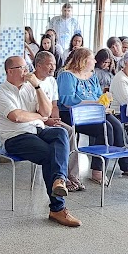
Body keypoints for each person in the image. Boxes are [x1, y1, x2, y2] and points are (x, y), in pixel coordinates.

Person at [0, 56, 81, 227]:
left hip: (38, 131)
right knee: (49, 154)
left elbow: (46, 112)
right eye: (22, 68)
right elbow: (16, 116)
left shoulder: (30, 87)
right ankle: (58, 208)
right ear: (10, 71)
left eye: (27, 67)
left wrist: (37, 86)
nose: (26, 71)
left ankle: (59, 180)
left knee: (61, 132)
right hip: (15, 137)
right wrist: (39, 116)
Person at [56, 48, 128, 183]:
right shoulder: (66, 75)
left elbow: (99, 95)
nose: (94, 61)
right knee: (106, 128)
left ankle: (126, 165)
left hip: (95, 111)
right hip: (74, 114)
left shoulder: (92, 76)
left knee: (117, 126)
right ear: (83, 60)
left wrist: (104, 102)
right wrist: (94, 103)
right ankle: (97, 170)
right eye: (92, 59)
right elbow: (67, 101)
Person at [31, 50, 85, 191]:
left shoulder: (52, 81)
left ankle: (72, 175)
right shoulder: (31, 82)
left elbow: (54, 105)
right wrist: (47, 120)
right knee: (61, 134)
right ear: (38, 65)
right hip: (35, 122)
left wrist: (55, 119)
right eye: (49, 64)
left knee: (69, 131)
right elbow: (31, 110)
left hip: (49, 119)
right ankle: (62, 177)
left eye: (54, 64)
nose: (53, 68)